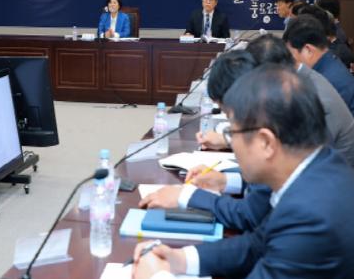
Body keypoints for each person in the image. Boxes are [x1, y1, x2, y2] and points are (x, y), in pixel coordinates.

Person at [132, 65, 354, 279]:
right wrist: (181, 259)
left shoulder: (309, 215)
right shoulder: (320, 166)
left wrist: (157, 276)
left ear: (266, 142)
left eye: (232, 133)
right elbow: (257, 245)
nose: (231, 144)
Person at [284, 15, 354, 116]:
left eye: (292, 56)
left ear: (308, 50)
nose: (292, 63)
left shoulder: (324, 80)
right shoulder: (329, 61)